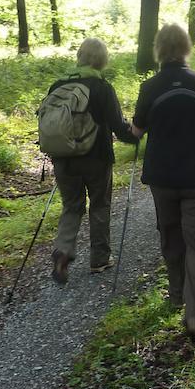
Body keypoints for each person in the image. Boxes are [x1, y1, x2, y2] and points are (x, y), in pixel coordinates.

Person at [132, 23, 195, 346]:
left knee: (171, 236)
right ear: (186, 48)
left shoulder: (150, 87)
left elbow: (137, 131)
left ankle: (176, 294)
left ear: (158, 49)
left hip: (163, 176)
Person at [48, 37, 139, 284]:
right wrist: (136, 136)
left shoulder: (57, 85)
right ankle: (100, 259)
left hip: (63, 157)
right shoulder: (102, 88)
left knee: (72, 205)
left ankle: (63, 252)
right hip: (95, 157)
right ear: (102, 60)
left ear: (79, 56)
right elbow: (119, 127)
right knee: (99, 204)